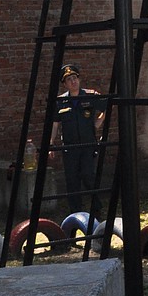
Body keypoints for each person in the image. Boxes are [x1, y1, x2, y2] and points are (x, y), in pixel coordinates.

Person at [49, 63, 106, 217]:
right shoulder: (60, 101)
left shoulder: (90, 96)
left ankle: (96, 210)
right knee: (72, 181)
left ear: (79, 79)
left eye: (75, 78)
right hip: (70, 147)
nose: (73, 81)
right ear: (65, 84)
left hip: (88, 145)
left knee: (88, 177)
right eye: (69, 80)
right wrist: (51, 143)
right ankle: (76, 213)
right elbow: (54, 124)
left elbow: (105, 108)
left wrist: (97, 125)